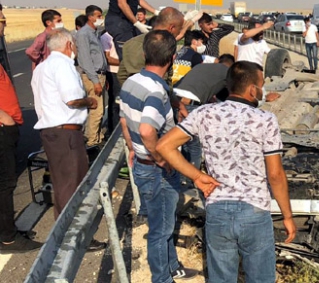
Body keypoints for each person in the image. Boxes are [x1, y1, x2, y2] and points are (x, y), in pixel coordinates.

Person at [157, 61, 296, 283]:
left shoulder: (203, 113)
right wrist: (287, 215)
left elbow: (164, 146)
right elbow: (276, 175)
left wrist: (197, 176)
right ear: (252, 89)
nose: (262, 90)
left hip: (217, 210)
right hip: (256, 211)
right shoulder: (266, 119)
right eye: (261, 85)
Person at [119, 30, 198, 283]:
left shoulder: (132, 82)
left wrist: (133, 148)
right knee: (160, 230)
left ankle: (172, 266)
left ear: (144, 54)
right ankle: (161, 278)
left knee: (164, 222)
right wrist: (161, 158)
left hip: (142, 165)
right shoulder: (156, 92)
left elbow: (124, 120)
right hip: (156, 170)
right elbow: (146, 129)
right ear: (173, 58)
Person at [31, 29, 95, 217]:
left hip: (50, 131)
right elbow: (72, 100)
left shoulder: (42, 67)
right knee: (73, 185)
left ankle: (63, 232)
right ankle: (72, 235)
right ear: (69, 44)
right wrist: (90, 102)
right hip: (66, 133)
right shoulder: (63, 65)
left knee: (62, 184)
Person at [0, 63, 43, 253]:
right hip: (2, 129)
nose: (4, 31)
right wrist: (5, 118)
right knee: (5, 183)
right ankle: (9, 239)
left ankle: (7, 230)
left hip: (6, 127)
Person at [173, 55, 235, 169]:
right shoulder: (228, 73)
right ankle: (191, 179)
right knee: (195, 146)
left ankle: (182, 175)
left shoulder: (202, 67)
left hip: (174, 100)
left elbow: (201, 86)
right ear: (231, 65)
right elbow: (231, 97)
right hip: (190, 105)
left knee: (183, 140)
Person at [118, 7, 188, 85]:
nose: (179, 33)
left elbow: (122, 75)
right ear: (171, 28)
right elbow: (167, 79)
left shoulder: (130, 43)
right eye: (179, 29)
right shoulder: (166, 46)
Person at [75, 5, 108, 147]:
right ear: (90, 17)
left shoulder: (95, 33)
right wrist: (95, 81)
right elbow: (85, 59)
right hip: (92, 76)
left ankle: (97, 137)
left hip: (100, 75)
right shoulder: (84, 34)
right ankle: (92, 141)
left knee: (99, 110)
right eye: (98, 16)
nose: (101, 19)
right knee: (96, 110)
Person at [101, 32, 121, 139]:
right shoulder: (106, 37)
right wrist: (124, 62)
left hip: (124, 72)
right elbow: (107, 58)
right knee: (114, 102)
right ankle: (112, 130)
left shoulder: (124, 34)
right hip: (113, 72)